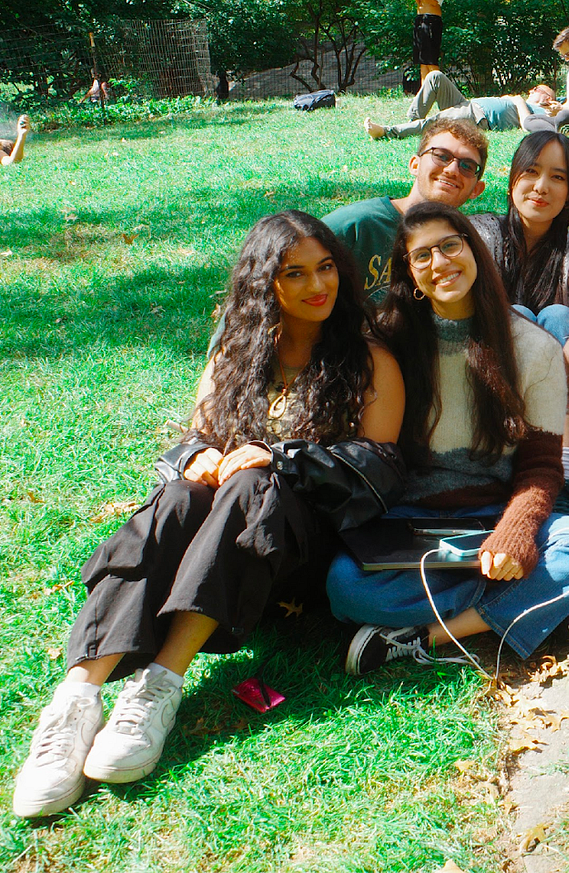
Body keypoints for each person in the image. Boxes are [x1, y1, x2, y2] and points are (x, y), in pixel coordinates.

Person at [11, 212, 407, 818]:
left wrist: (279, 458)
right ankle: (75, 703)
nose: (316, 285)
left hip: (298, 554)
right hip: (219, 540)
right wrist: (200, 458)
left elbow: (377, 472)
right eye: (294, 273)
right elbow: (197, 435)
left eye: (325, 267)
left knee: (253, 481)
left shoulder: (368, 357)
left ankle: (158, 688)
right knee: (174, 498)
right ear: (263, 282)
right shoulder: (240, 349)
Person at [327, 203, 569, 673]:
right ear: (409, 273)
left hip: (495, 514)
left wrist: (516, 532)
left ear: (474, 249)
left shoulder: (532, 347)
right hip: (409, 521)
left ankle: (430, 635)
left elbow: (541, 467)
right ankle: (539, 600)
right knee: (345, 586)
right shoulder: (386, 341)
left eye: (450, 245)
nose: (440, 263)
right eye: (422, 256)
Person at [470, 131, 569, 513]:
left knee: (561, 316)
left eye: (558, 177)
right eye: (531, 171)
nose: (542, 187)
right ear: (513, 178)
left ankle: (562, 476)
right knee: (523, 317)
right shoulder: (483, 233)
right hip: (495, 382)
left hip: (563, 384)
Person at [326, 118, 488, 303]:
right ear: (415, 165)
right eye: (441, 156)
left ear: (476, 189)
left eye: (467, 166)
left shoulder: (464, 247)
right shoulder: (355, 225)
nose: (452, 169)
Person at [366, 72, 555, 140]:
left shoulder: (542, 111)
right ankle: (413, 122)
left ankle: (386, 132)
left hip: (478, 117)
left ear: (546, 97)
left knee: (436, 122)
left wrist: (518, 100)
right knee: (435, 77)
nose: (532, 89)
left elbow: (530, 126)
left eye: (537, 88)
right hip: (468, 104)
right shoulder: (520, 101)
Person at [403, 0, 448, 83]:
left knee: (431, 60)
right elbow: (420, 2)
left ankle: (440, 92)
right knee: (423, 61)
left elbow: (434, 2)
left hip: (431, 21)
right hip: (421, 19)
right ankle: (424, 94)